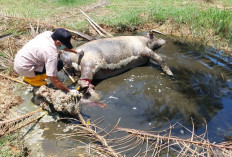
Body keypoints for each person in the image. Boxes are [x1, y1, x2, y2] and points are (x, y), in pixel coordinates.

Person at [14, 28, 79, 93]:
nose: (65, 46)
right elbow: (54, 81)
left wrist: (76, 52)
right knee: (59, 65)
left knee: (56, 64)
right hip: (24, 68)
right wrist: (69, 91)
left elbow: (63, 46)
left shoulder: (48, 34)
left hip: (20, 60)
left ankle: (31, 76)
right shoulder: (51, 54)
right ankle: (32, 79)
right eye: (65, 44)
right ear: (58, 42)